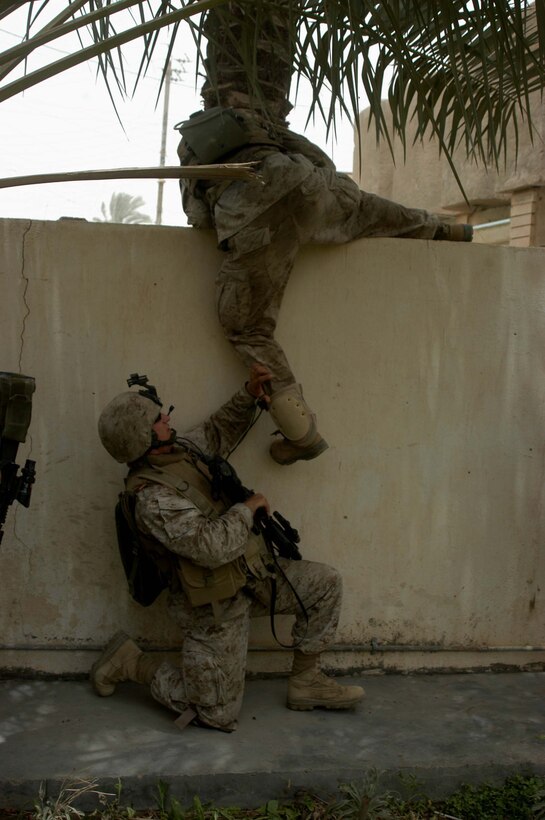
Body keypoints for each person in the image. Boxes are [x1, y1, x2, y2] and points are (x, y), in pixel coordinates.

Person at [176, 3, 473, 468]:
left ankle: (303, 434)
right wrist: (319, 179)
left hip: (255, 208)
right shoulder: (278, 132)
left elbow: (197, 214)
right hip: (309, 183)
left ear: (213, 94)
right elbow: (320, 161)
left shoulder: (194, 141)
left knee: (248, 327)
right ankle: (442, 228)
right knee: (369, 212)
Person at [93, 365, 364, 732]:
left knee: (325, 584)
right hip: (214, 610)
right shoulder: (152, 500)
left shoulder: (181, 452)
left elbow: (217, 430)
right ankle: (131, 662)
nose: (167, 418)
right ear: (142, 438)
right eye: (158, 419)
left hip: (252, 576)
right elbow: (209, 546)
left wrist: (250, 393)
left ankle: (305, 683)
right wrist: (247, 509)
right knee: (215, 715)